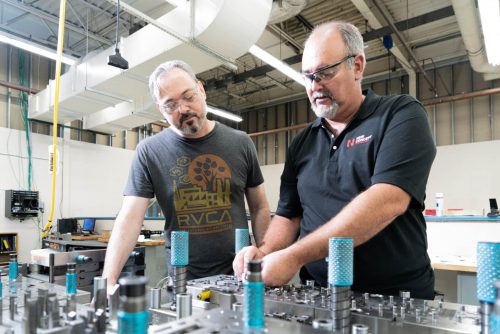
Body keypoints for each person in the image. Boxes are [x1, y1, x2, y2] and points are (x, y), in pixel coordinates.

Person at [233, 21, 436, 299]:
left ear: (357, 66)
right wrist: (264, 252)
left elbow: (388, 199)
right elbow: (289, 215)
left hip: (392, 298)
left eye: (325, 72)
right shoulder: (301, 144)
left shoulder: (400, 115)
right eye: (307, 76)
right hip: (317, 294)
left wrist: (294, 256)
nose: (314, 86)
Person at [103, 60, 270, 289]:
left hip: (240, 275)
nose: (182, 109)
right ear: (161, 109)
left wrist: (266, 255)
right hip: (183, 281)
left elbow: (260, 207)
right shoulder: (149, 152)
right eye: (170, 104)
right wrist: (107, 282)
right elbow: (129, 218)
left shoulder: (240, 143)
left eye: (188, 96)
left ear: (201, 90)